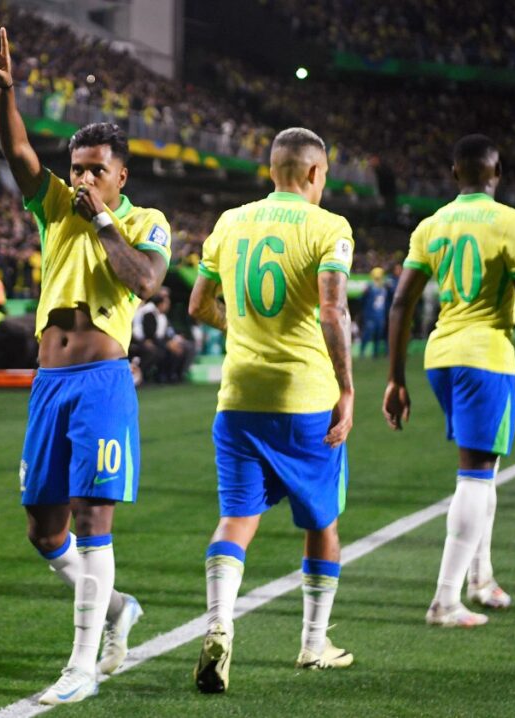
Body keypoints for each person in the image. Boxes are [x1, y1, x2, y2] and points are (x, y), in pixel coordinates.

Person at [0, 28, 172, 706]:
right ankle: (117, 608)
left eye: (97, 168)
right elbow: (18, 151)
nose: (84, 178)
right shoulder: (54, 205)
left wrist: (104, 225)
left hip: (102, 383)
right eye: (79, 166)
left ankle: (82, 664)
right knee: (44, 530)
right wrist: (6, 94)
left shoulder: (145, 221)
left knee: (94, 519)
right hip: (48, 383)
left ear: (122, 174)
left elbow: (145, 284)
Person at [384, 134, 515, 628]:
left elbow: (401, 304)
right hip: (485, 357)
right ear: (497, 174)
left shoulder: (431, 225)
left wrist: (395, 379)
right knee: (475, 475)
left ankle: (481, 578)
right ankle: (445, 600)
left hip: (440, 357)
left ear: (455, 173)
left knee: (484, 470)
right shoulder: (511, 222)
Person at [188, 127, 356, 692]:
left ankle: (217, 624)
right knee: (322, 520)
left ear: (271, 169)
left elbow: (197, 304)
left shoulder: (231, 221)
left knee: (237, 517)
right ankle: (313, 644)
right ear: (313, 173)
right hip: (303, 398)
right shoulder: (329, 226)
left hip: (237, 397)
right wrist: (348, 389)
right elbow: (332, 312)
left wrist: (240, 330)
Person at [131, 288, 195, 383]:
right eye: (166, 303)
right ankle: (150, 376)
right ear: (160, 304)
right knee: (158, 351)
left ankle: (174, 374)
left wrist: (172, 341)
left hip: (156, 341)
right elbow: (150, 334)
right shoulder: (149, 313)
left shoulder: (161, 316)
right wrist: (167, 344)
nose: (168, 306)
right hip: (141, 341)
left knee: (181, 348)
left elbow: (165, 333)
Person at [359, 267, 389, 357]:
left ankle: (375, 353)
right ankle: (362, 352)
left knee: (378, 335)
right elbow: (361, 300)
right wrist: (364, 293)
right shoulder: (369, 287)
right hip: (370, 315)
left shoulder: (384, 288)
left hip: (380, 316)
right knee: (367, 334)